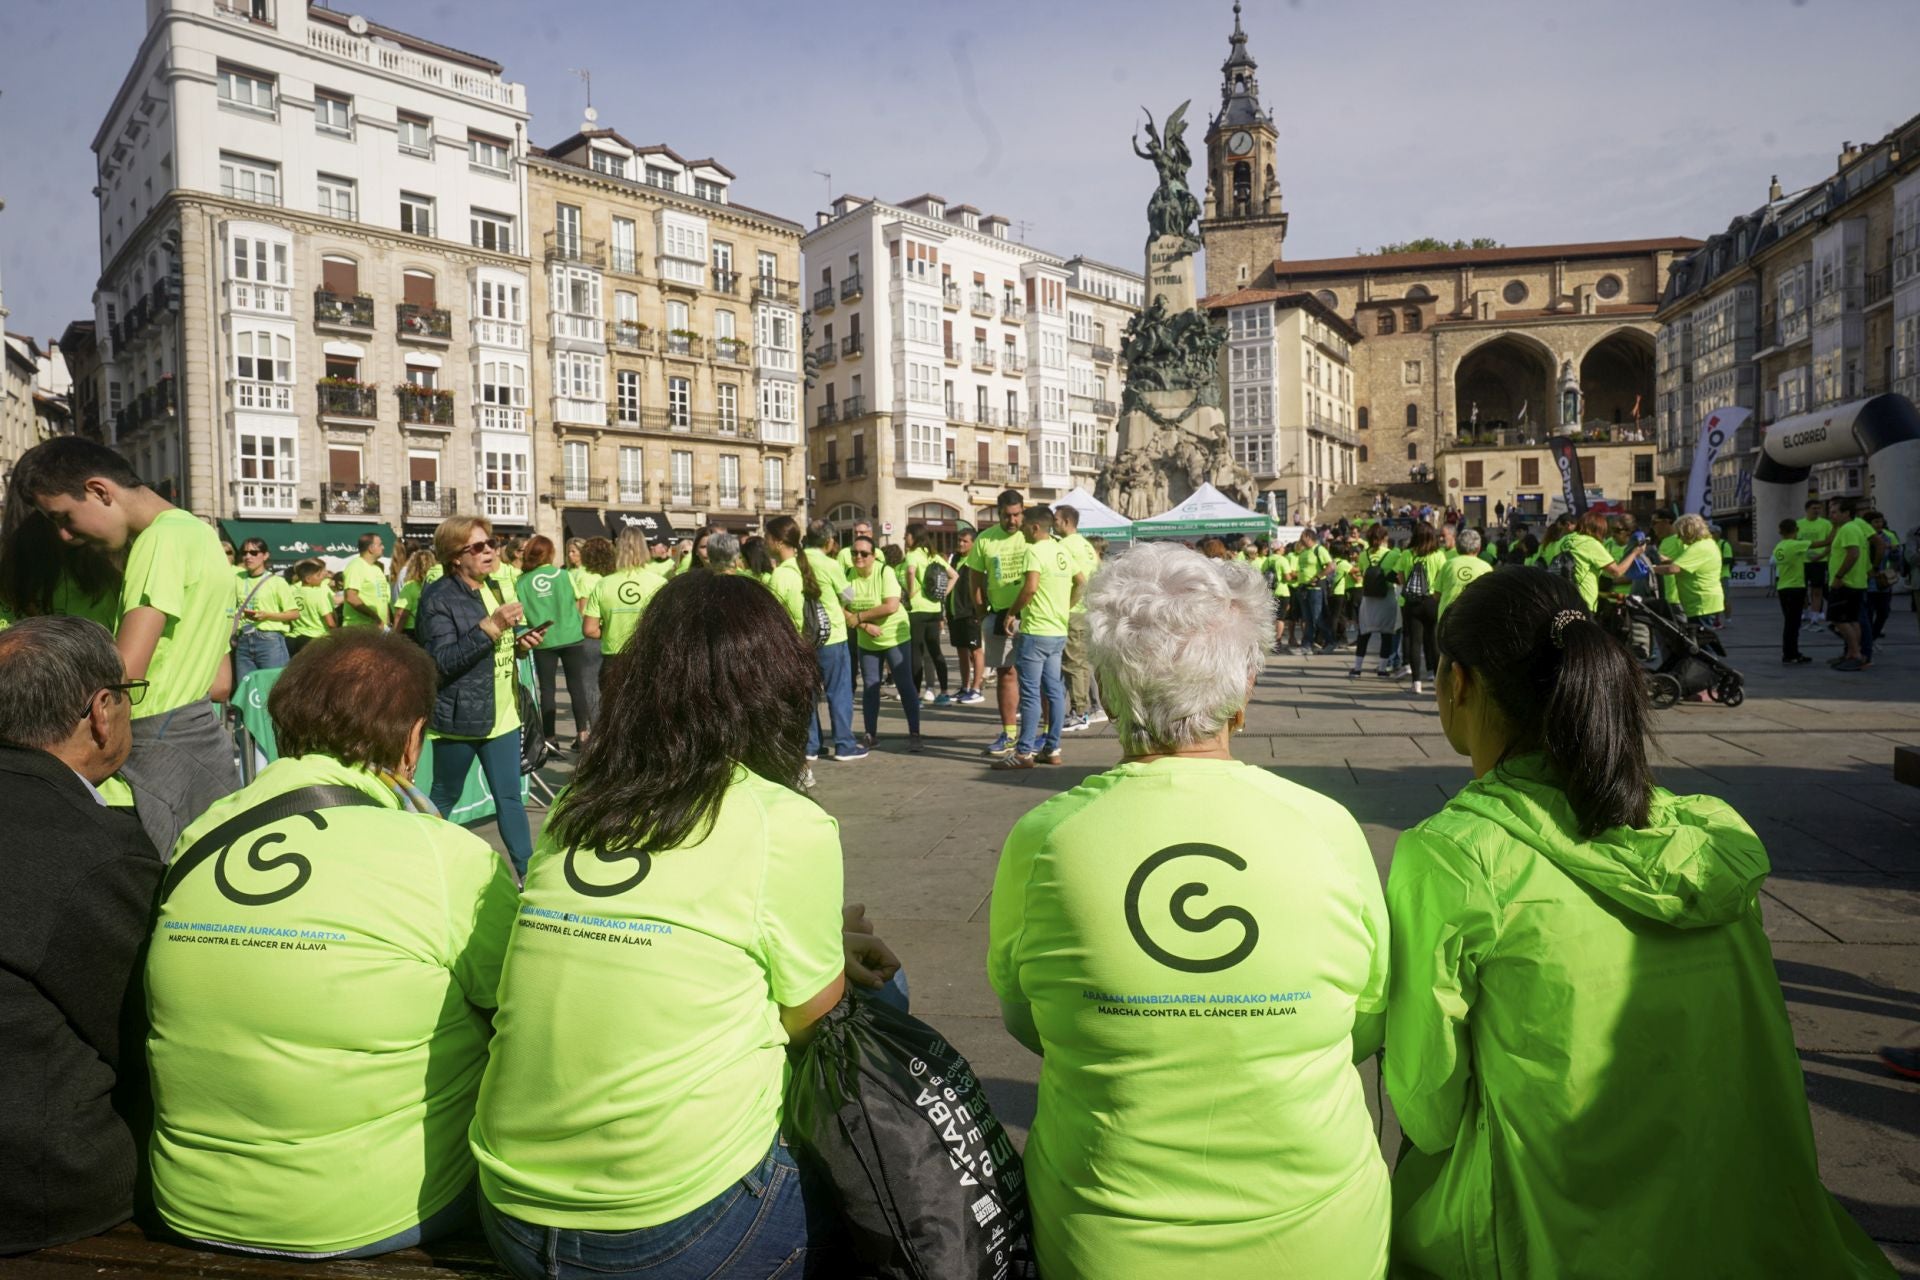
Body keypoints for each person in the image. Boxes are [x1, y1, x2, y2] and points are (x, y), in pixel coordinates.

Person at [1384, 567, 1891, 1279]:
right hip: (1749, 1232)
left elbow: (1429, 1110)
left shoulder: (1457, 854)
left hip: (1554, 1235)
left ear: (1457, 684)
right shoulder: (1707, 836)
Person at [989, 544, 1390, 1279]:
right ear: (1246, 691)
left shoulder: (1046, 839)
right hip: (1317, 1231)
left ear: (1108, 697)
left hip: (1108, 1234)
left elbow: (1030, 1020)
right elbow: (1363, 1020)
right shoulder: (1329, 828)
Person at [470, 573, 867, 1279]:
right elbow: (816, 1022)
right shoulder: (784, 822)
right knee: (878, 1020)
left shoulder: (577, 805)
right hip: (672, 1229)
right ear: (776, 685)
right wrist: (831, 953)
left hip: (512, 1206)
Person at [146, 630, 517, 1260]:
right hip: (375, 1209)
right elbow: (522, 1010)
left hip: (188, 1197)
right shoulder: (444, 856)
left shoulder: (204, 828)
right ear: (412, 740)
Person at [0, 617, 161, 1253]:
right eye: (128, 694)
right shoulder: (95, 851)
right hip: (44, 1192)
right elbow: (148, 1027)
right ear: (102, 711)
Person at [13, 437, 240, 807]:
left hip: (141, 764)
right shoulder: (202, 535)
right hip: (198, 743)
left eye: (64, 518)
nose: (66, 536)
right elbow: (220, 684)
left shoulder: (158, 540)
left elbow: (123, 673)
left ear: (100, 490)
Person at [417, 515, 540, 877]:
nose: (489, 551)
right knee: (443, 797)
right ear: (456, 556)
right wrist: (492, 627)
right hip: (463, 717)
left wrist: (518, 646)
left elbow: (495, 646)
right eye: (478, 547)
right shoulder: (438, 598)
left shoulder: (495, 586)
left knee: (510, 800)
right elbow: (441, 663)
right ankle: (415, 866)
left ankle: (528, 877)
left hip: (502, 713)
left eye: (492, 543)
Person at [766, 515, 861, 768]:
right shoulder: (828, 565)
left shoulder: (796, 563)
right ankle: (844, 743)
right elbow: (848, 596)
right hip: (833, 634)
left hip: (804, 638)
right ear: (830, 541)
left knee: (808, 695)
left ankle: (811, 745)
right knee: (838, 693)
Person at [994, 506, 1080, 770]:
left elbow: (1029, 588)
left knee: (1030, 694)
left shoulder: (1033, 550)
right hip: (1057, 630)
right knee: (1054, 691)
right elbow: (1082, 581)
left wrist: (1011, 613)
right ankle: (1052, 748)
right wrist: (1064, 607)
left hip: (1036, 630)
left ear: (1034, 527)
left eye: (1024, 526)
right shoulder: (1061, 550)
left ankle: (1023, 753)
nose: (1020, 529)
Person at [962, 489, 1029, 757]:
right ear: (997, 514)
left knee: (1040, 677)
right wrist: (982, 612)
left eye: (1016, 515)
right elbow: (975, 580)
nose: (1012, 521)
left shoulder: (1032, 536)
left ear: (1023, 512)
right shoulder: (985, 540)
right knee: (1006, 673)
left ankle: (1046, 733)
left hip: (1032, 615)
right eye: (1006, 516)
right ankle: (1009, 733)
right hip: (999, 614)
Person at [515, 535, 596, 754]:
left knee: (547, 690)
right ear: (550, 554)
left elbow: (520, 615)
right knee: (576, 687)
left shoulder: (521, 582)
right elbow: (579, 599)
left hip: (543, 639)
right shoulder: (564, 575)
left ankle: (550, 739)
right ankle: (582, 734)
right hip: (571, 635)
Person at [844, 534, 923, 752]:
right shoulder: (849, 576)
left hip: (894, 637)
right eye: (854, 552)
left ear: (874, 555)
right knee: (870, 686)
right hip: (867, 638)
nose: (858, 557)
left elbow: (891, 606)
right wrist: (864, 625)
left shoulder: (883, 572)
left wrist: (860, 618)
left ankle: (915, 733)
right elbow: (845, 609)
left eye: (863, 553)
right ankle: (870, 734)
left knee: (904, 684)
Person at [583, 528, 665, 666]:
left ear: (618, 549)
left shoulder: (603, 584)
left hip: (614, 657)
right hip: (647, 655)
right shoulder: (659, 583)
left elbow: (590, 630)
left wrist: (610, 631)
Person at [1054, 506, 1103, 731]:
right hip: (1088, 610)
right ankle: (1087, 708)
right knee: (1082, 662)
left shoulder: (1063, 546)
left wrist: (1067, 605)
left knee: (1073, 663)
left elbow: (1080, 580)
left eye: (1056, 520)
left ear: (1065, 522)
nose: (1053, 524)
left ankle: (1078, 711)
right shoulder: (1087, 546)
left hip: (1074, 610)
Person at [229, 537, 297, 683]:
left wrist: (267, 615)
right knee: (246, 689)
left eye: (254, 552)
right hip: (243, 639)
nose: (248, 556)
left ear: (265, 555)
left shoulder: (277, 582)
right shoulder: (236, 578)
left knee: (272, 686)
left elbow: (293, 613)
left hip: (269, 639)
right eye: (244, 552)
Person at [1549, 510, 1645, 612]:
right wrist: (1635, 553)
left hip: (1561, 599)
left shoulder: (1562, 541)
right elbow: (1616, 572)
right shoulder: (1590, 543)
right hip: (1582, 602)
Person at [900, 523, 951, 705]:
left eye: (906, 535)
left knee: (916, 653)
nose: (905, 538)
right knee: (936, 650)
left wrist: (911, 589)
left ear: (913, 536)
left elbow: (911, 570)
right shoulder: (934, 555)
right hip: (934, 609)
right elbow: (954, 575)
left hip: (917, 610)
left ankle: (915, 695)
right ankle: (944, 692)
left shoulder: (912, 555)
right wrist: (943, 594)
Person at [1825, 498, 1874, 671]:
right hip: (1854, 582)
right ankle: (1853, 654)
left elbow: (1853, 554)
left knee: (1838, 619)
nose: (1831, 515)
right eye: (1830, 511)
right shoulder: (1850, 528)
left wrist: (1839, 576)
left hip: (1846, 583)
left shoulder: (1848, 529)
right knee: (1852, 619)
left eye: (1835, 512)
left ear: (1846, 513)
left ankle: (1856, 654)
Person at [1652, 513, 1725, 628]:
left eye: (1680, 534)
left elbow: (1673, 569)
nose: (1679, 538)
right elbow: (1686, 565)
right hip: (1701, 602)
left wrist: (1650, 568)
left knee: (1701, 642)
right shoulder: (1707, 543)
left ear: (1688, 531)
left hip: (1701, 603)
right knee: (1700, 640)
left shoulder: (1699, 547)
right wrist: (1669, 560)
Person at [1400, 522, 1448, 696]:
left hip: (1412, 602)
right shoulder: (1439, 555)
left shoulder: (1407, 554)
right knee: (1433, 641)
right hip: (1431, 601)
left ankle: (1416, 683)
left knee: (1415, 641)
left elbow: (1400, 576)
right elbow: (1442, 577)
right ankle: (1437, 680)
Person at [947, 527, 986, 704]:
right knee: (961, 651)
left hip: (971, 612)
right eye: (959, 540)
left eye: (965, 541)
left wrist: (980, 609)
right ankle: (965, 687)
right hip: (955, 612)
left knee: (975, 650)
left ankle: (977, 688)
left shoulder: (976, 560)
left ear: (973, 543)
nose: (961, 544)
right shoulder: (954, 559)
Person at [1771, 518, 1814, 665]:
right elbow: (1823, 542)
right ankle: (1790, 654)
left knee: (1790, 622)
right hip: (1796, 587)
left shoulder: (1778, 546)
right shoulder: (1796, 545)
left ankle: (1791, 652)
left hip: (1783, 587)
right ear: (1796, 530)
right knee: (1793, 623)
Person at [1434, 527, 1493, 617]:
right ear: (1479, 548)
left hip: (1447, 618)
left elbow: (1437, 594)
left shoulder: (1448, 565)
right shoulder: (1486, 567)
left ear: (1457, 546)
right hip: (1475, 617)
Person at [286, 559, 337, 659]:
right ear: (308, 579)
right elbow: (330, 623)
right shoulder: (318, 594)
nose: (322, 578)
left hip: (293, 638)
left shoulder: (292, 593)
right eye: (318, 575)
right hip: (315, 638)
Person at [339, 532, 391, 629]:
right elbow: (351, 597)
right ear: (371, 548)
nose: (383, 547)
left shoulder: (377, 569)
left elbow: (383, 599)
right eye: (380, 544)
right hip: (359, 628)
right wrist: (375, 617)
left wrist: (387, 623)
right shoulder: (356, 566)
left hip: (378, 628)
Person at [1798, 498, 1834, 622]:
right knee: (1801, 589)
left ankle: (1815, 614)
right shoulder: (1798, 524)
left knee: (1817, 589)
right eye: (1814, 508)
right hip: (1802, 562)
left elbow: (1831, 542)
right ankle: (1804, 612)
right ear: (1807, 509)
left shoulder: (1826, 524)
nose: (1817, 510)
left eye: (1819, 508)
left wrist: (1822, 555)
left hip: (1819, 561)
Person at [390, 549, 437, 638]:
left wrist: (394, 636)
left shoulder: (410, 586)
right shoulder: (437, 585)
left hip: (411, 630)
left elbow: (401, 614)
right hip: (431, 628)